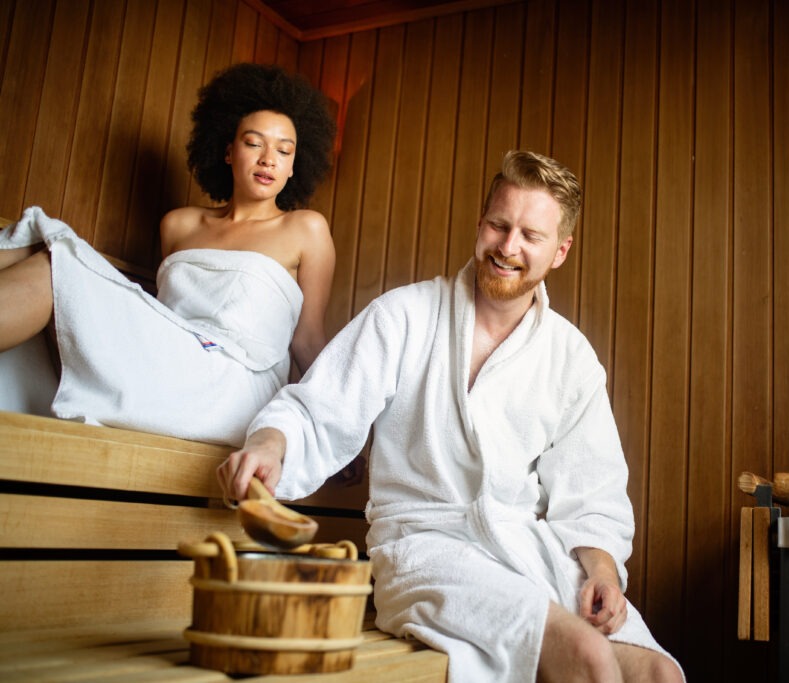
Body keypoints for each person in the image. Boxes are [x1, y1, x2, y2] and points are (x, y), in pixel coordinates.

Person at [218, 150, 686, 683]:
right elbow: (319, 407)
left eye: (531, 236)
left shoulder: (570, 357)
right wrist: (271, 443)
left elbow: (593, 490)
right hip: (423, 548)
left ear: (560, 251)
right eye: (499, 225)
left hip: (525, 549)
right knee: (588, 658)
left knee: (659, 675)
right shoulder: (405, 315)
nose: (507, 247)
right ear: (480, 222)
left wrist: (602, 570)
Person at [0, 62, 337, 446]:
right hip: (169, 359)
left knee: (53, 267)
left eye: (284, 150)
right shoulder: (179, 225)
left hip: (235, 385)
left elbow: (307, 341)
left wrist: (327, 432)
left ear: (293, 167)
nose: (268, 159)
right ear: (228, 151)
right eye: (253, 143)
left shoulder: (306, 229)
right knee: (40, 251)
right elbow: (165, 316)